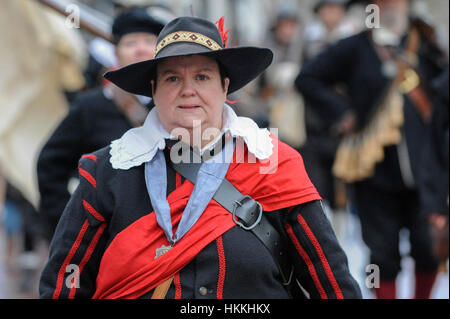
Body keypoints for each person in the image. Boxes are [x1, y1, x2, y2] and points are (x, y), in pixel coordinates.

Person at [39, 16, 361, 299]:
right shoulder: (108, 171)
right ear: (154, 91)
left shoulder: (273, 162)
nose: (188, 90)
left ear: (225, 87)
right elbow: (63, 285)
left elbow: (330, 280)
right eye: (173, 78)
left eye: (202, 77)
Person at [296, 0, 448, 299]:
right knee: (381, 255)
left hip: (425, 170)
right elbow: (308, 78)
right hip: (373, 171)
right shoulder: (353, 48)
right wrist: (344, 113)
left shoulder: (426, 42)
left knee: (429, 248)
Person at [36, 8, 166, 238]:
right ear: (116, 54)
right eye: (130, 43)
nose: (140, 49)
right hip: (108, 235)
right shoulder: (90, 107)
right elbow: (49, 165)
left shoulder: (175, 105)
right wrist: (70, 227)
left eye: (148, 41)